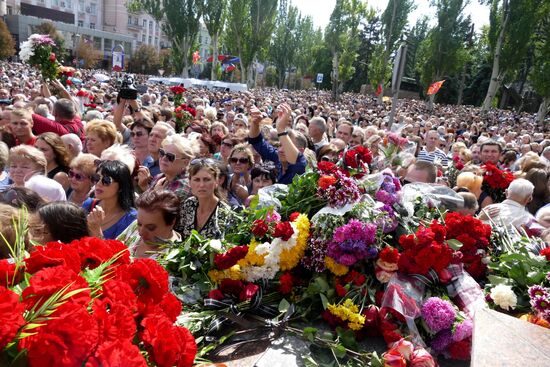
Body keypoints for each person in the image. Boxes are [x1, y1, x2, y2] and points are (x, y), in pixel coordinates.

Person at [248, 104, 306, 184]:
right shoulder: (276, 157)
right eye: (280, 145)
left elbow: (297, 159)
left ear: (301, 151)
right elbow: (256, 141)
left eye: (286, 146)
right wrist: (255, 122)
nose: (281, 150)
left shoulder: (301, 167)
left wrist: (281, 129)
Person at [178, 158, 233, 240]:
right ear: (190, 182)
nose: (201, 185)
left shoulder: (224, 212)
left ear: (216, 182)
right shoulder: (188, 204)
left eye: (206, 180)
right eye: (196, 180)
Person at [117, 190, 182, 259]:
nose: (141, 233)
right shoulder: (135, 226)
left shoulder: (174, 258)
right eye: (139, 224)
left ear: (171, 222)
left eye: (150, 228)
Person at [84, 160, 137, 239]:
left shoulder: (131, 218)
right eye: (96, 178)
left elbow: (120, 251)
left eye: (106, 180)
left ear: (121, 186)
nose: (98, 183)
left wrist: (97, 231)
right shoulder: (88, 204)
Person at [139, 135, 197, 202]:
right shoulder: (159, 177)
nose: (163, 158)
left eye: (170, 157)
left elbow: (158, 211)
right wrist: (144, 186)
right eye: (162, 153)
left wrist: (156, 194)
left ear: (185, 163)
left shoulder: (184, 187)